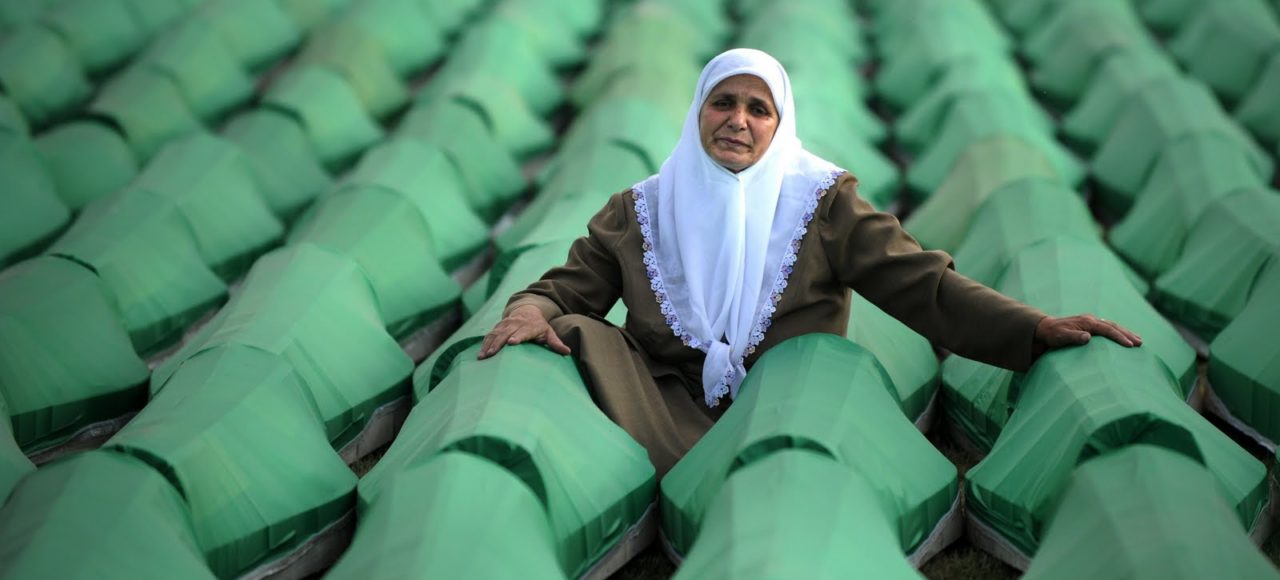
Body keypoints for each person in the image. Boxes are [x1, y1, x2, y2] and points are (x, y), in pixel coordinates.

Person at [478, 49, 1142, 477]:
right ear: (698, 112)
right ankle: (656, 468)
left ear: (778, 123)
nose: (738, 121)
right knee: (570, 332)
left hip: (784, 398)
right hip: (661, 397)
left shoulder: (820, 202)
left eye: (757, 108)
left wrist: (1032, 329)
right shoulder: (642, 208)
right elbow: (566, 289)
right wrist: (529, 310)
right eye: (723, 103)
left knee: (814, 389)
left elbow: (923, 286)